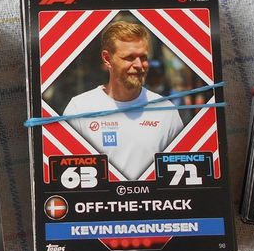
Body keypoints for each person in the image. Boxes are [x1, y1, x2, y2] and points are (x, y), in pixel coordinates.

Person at [62, 21, 183, 180]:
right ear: (107, 59)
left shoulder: (166, 110)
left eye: (143, 57)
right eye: (129, 58)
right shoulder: (79, 108)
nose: (139, 65)